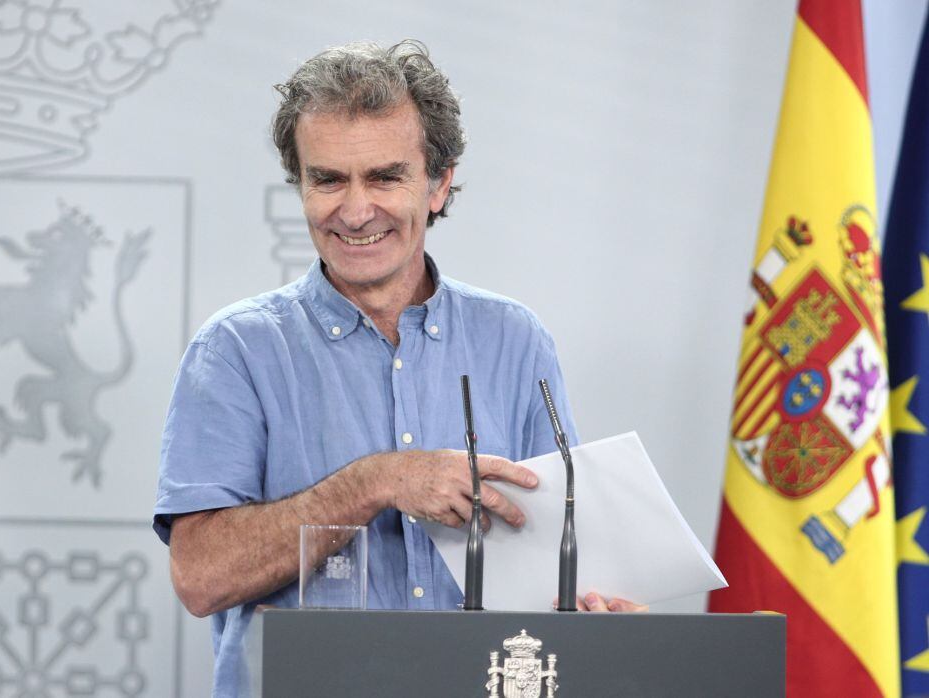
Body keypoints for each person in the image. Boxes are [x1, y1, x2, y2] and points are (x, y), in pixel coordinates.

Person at [153, 39, 645, 695]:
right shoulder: (238, 350)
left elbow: (553, 563)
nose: (355, 211)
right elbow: (201, 577)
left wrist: (589, 613)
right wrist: (378, 481)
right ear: (300, 186)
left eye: (385, 177)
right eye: (328, 179)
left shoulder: (515, 340)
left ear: (439, 183)